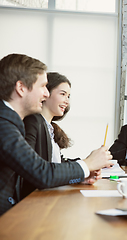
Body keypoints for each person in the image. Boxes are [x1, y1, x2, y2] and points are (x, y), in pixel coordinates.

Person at [0, 53, 112, 215]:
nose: (46, 93)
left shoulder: (10, 121)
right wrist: (87, 164)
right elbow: (41, 173)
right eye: (43, 86)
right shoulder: (4, 124)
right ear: (21, 88)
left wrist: (81, 173)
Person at [21, 72, 99, 199]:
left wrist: (81, 176)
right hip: (33, 199)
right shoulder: (33, 122)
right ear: (46, 93)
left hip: (47, 195)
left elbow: (57, 164)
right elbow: (33, 170)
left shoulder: (48, 127)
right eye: (62, 94)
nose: (66, 101)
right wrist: (86, 164)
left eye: (68, 96)